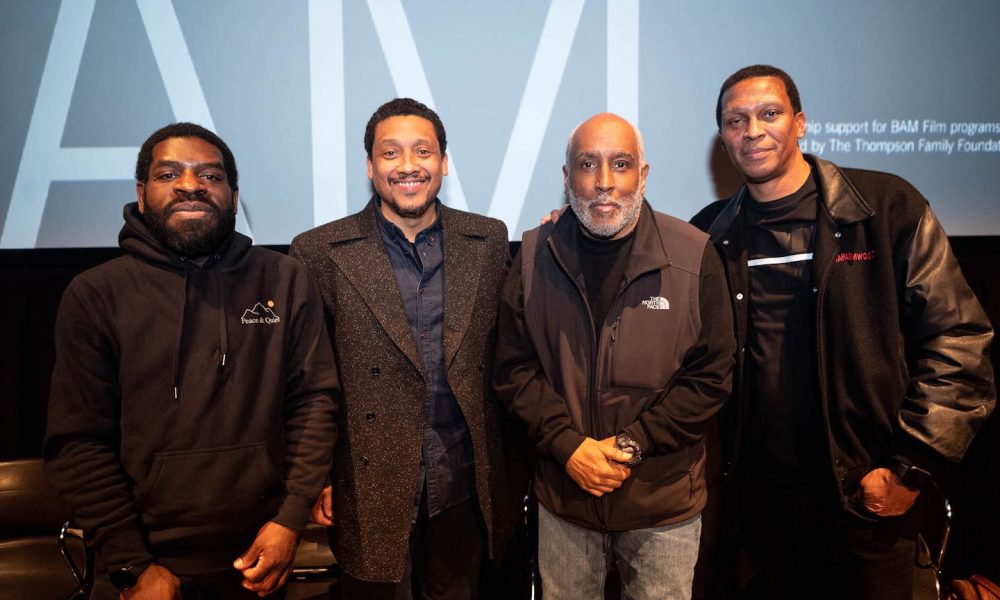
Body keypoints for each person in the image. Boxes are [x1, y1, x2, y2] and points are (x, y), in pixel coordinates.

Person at [691, 64, 996, 599]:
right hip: (762, 511)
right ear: (723, 138)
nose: (753, 131)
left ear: (801, 122)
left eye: (769, 114)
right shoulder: (710, 233)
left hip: (869, 497)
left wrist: (909, 469)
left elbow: (960, 343)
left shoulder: (885, 208)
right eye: (736, 121)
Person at [44, 122, 338, 599]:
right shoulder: (95, 295)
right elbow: (77, 443)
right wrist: (133, 566)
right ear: (141, 194)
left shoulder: (284, 279)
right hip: (146, 571)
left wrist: (289, 522)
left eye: (209, 175)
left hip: (260, 558)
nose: (190, 185)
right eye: (168, 175)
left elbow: (314, 404)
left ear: (234, 195)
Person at [494, 112, 735, 600]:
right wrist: (569, 447)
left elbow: (711, 377)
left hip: (663, 508)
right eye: (588, 164)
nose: (604, 183)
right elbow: (513, 370)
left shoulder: (694, 256)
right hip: (564, 503)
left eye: (621, 164)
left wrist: (630, 446)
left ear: (642, 175)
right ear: (567, 179)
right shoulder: (532, 256)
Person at [289, 98, 524, 599]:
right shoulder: (318, 251)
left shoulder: (488, 240)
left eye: (423, 151)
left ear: (443, 162)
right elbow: (312, 382)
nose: (409, 166)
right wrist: (315, 480)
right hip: (367, 486)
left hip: (463, 482)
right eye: (391, 153)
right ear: (370, 166)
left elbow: (506, 359)